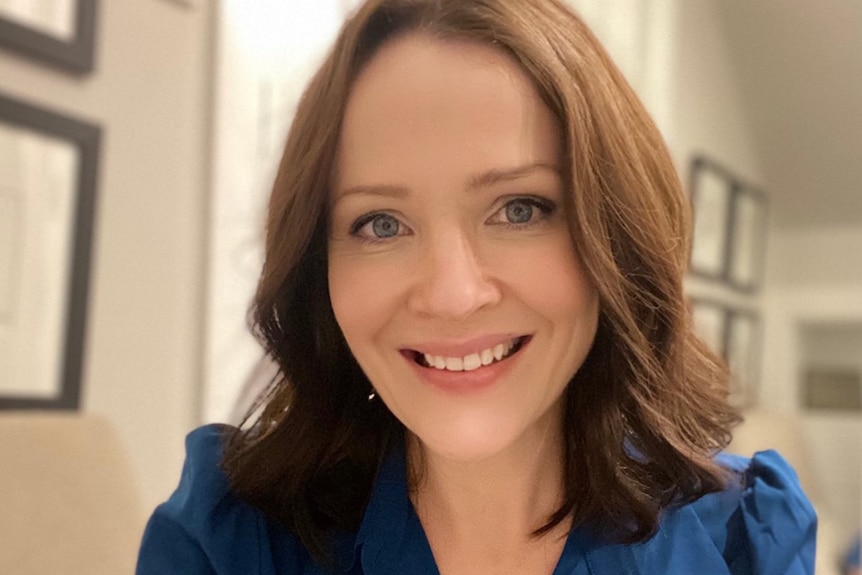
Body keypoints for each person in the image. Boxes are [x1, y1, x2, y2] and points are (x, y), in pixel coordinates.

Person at [136, 0, 817, 573]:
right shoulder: (230, 541)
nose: (452, 294)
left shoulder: (744, 542)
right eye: (380, 223)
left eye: (519, 208)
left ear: (613, 234)